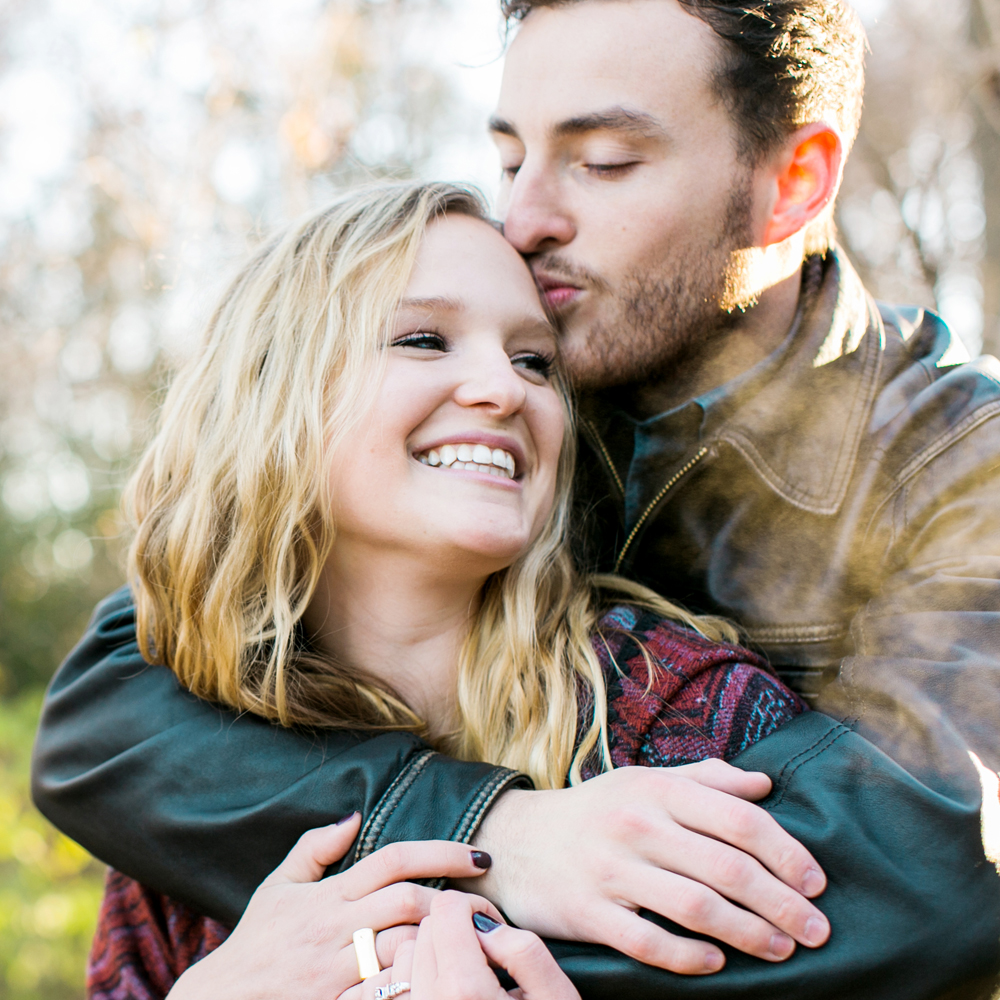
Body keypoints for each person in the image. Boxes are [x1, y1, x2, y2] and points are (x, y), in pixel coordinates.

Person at [32, 0, 1000, 994]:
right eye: (510, 159)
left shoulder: (964, 470)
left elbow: (925, 871)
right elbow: (124, 706)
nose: (526, 218)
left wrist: (421, 958)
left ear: (790, 182)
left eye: (604, 161)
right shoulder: (507, 404)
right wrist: (486, 828)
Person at [86, 181, 815, 998]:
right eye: (426, 339)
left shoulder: (686, 717)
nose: (505, 390)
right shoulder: (192, 787)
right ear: (270, 393)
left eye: (534, 360)